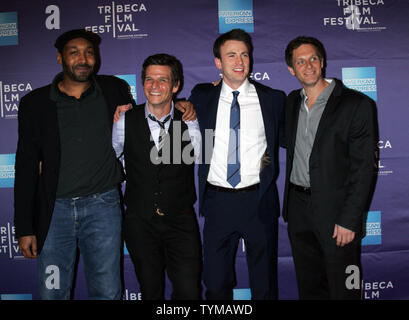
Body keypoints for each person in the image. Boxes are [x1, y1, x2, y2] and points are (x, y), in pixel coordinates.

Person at [14, 29, 194, 300]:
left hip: (103, 207)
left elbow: (147, 121)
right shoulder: (35, 103)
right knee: (52, 292)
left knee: (108, 292)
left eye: (89, 52)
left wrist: (179, 104)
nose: (83, 59)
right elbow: (26, 166)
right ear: (59, 58)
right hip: (54, 212)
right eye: (74, 52)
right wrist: (25, 227)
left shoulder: (114, 89)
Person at [188, 28, 285, 300]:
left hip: (259, 200)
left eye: (244, 54)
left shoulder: (273, 99)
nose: (239, 61)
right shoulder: (201, 95)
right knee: (216, 285)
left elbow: (294, 137)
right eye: (231, 55)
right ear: (218, 63)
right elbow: (173, 119)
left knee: (264, 285)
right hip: (218, 202)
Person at [282, 36, 378, 299]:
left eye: (313, 58)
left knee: (346, 286)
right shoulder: (290, 103)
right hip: (298, 209)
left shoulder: (356, 104)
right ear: (292, 69)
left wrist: (349, 219)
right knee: (310, 285)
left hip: (338, 214)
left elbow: (363, 170)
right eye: (300, 61)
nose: (308, 65)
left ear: (322, 62)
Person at [112, 53, 202, 300]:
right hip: (140, 221)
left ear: (176, 85)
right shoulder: (124, 121)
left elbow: (197, 155)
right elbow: (108, 160)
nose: (154, 86)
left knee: (188, 292)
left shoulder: (190, 119)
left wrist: (186, 106)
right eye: (149, 79)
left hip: (181, 221)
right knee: (150, 291)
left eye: (162, 80)